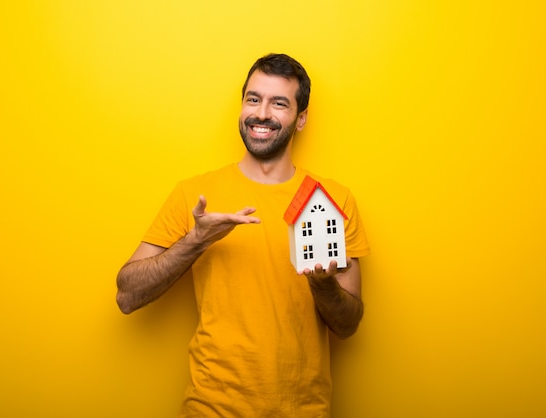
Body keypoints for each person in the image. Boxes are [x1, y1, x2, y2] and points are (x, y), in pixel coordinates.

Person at [116, 53, 370, 417]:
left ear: (301, 119)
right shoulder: (194, 194)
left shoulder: (331, 200)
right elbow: (127, 296)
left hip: (304, 410)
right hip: (212, 409)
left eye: (278, 103)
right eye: (253, 99)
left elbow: (348, 325)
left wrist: (324, 285)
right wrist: (195, 241)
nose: (262, 113)